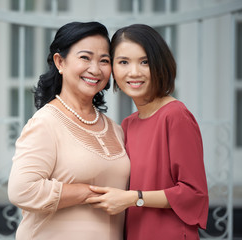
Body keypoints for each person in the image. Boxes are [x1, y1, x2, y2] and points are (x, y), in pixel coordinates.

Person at [7, 21, 130, 240]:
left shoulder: (115, 130)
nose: (95, 68)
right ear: (60, 62)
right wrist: (88, 193)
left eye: (104, 60)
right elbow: (21, 189)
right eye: (85, 57)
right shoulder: (46, 123)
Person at [86, 24, 209, 240]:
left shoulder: (175, 115)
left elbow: (193, 193)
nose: (134, 72)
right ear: (112, 69)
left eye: (145, 62)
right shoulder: (128, 125)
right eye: (123, 62)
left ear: (160, 64)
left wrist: (134, 198)